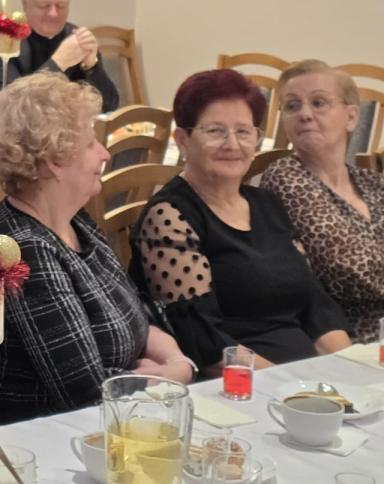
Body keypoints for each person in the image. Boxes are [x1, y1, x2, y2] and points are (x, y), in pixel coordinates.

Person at [0, 73, 193, 423]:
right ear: (54, 161)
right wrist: (171, 377)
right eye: (91, 144)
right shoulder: (23, 249)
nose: (105, 153)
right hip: (51, 434)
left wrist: (176, 363)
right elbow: (87, 391)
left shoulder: (74, 220)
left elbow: (139, 312)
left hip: (124, 416)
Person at [131, 69, 351, 371]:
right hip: (242, 385)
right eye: (215, 131)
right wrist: (287, 383)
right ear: (182, 140)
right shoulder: (170, 217)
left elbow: (314, 304)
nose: (232, 144)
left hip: (306, 376)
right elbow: (202, 340)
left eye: (244, 132)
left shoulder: (265, 204)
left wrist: (348, 368)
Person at [261, 60, 384, 343]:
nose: (305, 114)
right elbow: (352, 271)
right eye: (292, 106)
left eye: (318, 103)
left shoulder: (372, 182)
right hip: (347, 340)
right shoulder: (286, 177)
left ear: (351, 117)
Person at [0, 0, 119, 115]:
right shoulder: (3, 44)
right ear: (25, 4)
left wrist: (91, 66)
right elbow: (12, 111)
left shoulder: (77, 39)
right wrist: (58, 62)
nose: (53, 13)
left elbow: (109, 106)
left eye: (61, 5)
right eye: (44, 5)